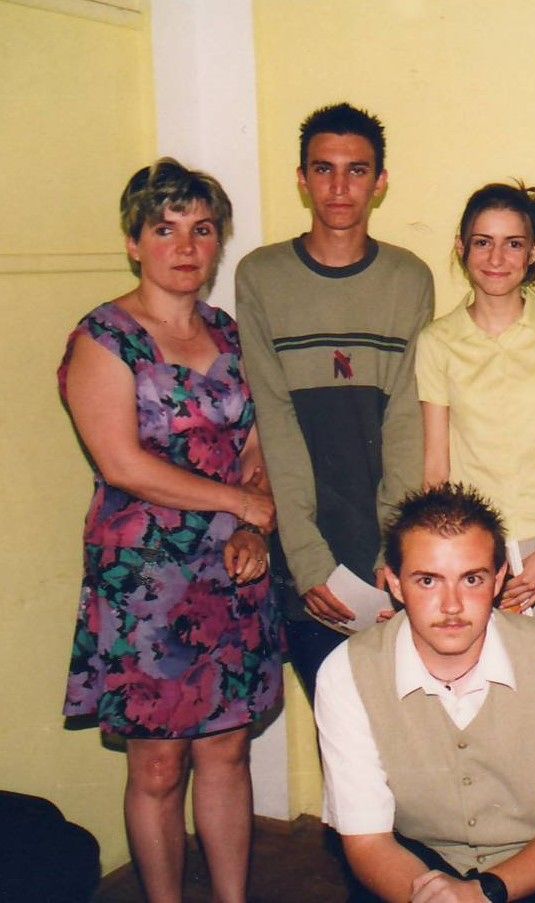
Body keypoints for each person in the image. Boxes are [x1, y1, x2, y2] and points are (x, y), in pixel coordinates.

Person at [59, 158, 282, 902]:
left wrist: (255, 523)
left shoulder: (231, 333)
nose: (186, 246)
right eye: (165, 229)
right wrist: (240, 505)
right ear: (134, 242)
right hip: (146, 581)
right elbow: (123, 464)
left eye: (202, 229)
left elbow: (260, 444)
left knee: (226, 750)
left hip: (233, 570)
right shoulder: (105, 338)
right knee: (158, 766)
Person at [314, 484, 535, 902]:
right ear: (395, 584)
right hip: (418, 875)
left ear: (499, 579)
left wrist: (482, 893)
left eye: (472, 579)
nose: (452, 605)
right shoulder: (347, 672)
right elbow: (368, 841)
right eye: (428, 581)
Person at [237, 102, 434, 697]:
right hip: (303, 544)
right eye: (324, 169)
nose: (340, 187)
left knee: (400, 723)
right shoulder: (261, 276)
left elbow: (406, 423)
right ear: (302, 179)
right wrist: (307, 560)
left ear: (380, 182)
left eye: (357, 170)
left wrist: (395, 548)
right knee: (336, 723)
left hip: (386, 548)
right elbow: (275, 420)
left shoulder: (408, 278)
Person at [417, 183, 535, 659]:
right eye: (483, 242)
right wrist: (444, 556)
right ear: (462, 248)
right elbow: (436, 465)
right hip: (473, 542)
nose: (497, 258)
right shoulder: (437, 341)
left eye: (513, 243)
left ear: (533, 251)